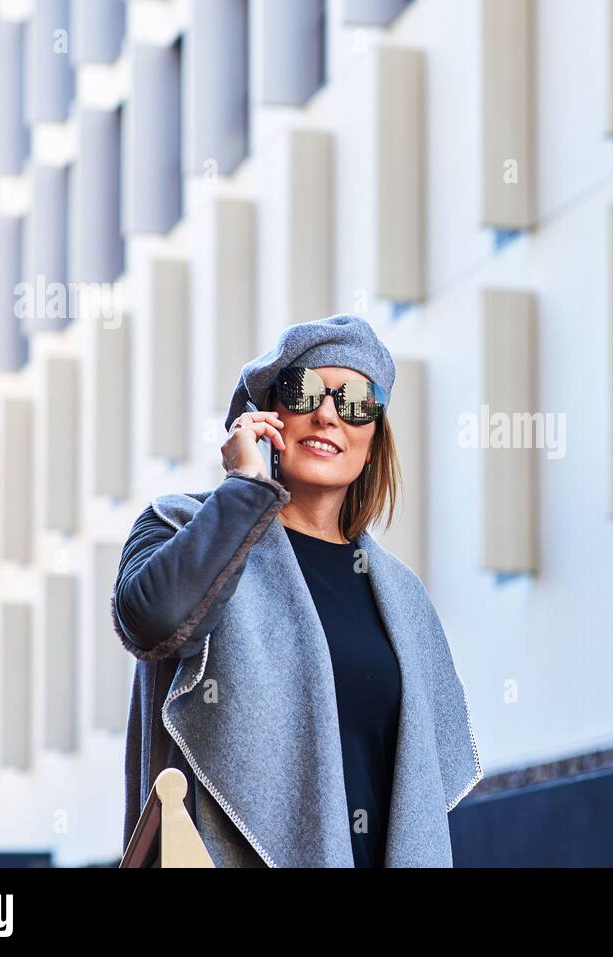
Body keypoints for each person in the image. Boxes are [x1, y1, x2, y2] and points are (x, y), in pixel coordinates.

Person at [111, 314, 482, 867]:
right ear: (266, 416)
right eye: (303, 390)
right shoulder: (181, 526)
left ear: (374, 440)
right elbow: (155, 620)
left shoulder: (401, 596)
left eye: (356, 401)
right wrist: (244, 492)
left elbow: (416, 791)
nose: (328, 414)